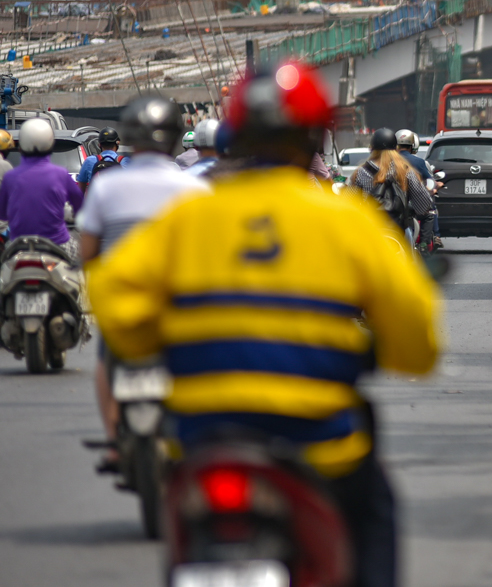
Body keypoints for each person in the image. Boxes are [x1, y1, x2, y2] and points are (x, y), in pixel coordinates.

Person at [86, 62, 441, 587]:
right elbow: (419, 346)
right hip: (321, 446)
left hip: (203, 440)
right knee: (375, 512)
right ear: (313, 136)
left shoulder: (187, 218)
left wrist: (173, 340)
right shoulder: (346, 220)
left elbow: (116, 307)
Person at [76, 96, 210, 471]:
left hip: (123, 304)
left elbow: (87, 252)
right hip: (177, 304)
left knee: (107, 360)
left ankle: (115, 440)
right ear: (174, 139)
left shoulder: (105, 187)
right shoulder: (193, 189)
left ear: (130, 139)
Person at [0, 119, 84, 258]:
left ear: (20, 147)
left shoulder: (11, 176)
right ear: (51, 145)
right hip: (58, 244)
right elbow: (80, 207)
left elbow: (2, 213)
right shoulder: (61, 174)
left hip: (18, 247)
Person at [349, 128, 434, 242]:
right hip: (398, 233)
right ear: (396, 148)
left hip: (369, 233)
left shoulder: (361, 172)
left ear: (372, 148)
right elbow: (423, 205)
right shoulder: (405, 171)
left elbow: (347, 204)